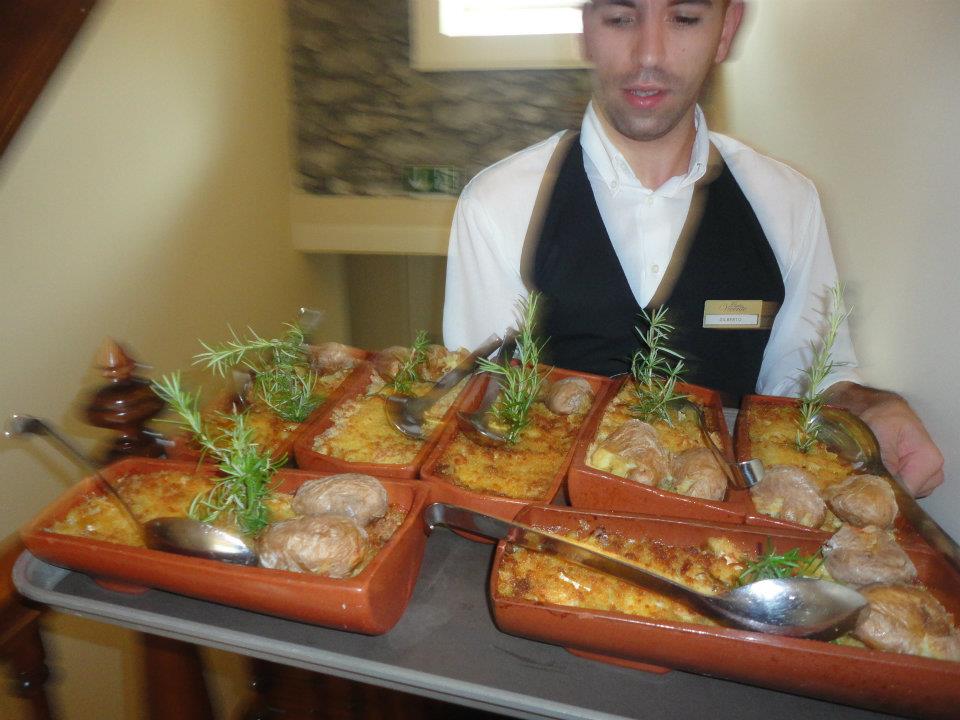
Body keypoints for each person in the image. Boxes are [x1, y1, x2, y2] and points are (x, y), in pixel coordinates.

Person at [442, 0, 943, 497]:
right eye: (620, 18)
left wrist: (866, 409)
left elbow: (806, 383)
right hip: (550, 536)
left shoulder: (787, 202)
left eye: (684, 19)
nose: (649, 55)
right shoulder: (498, 204)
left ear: (726, 30)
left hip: (726, 535)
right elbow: (475, 404)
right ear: (586, 30)